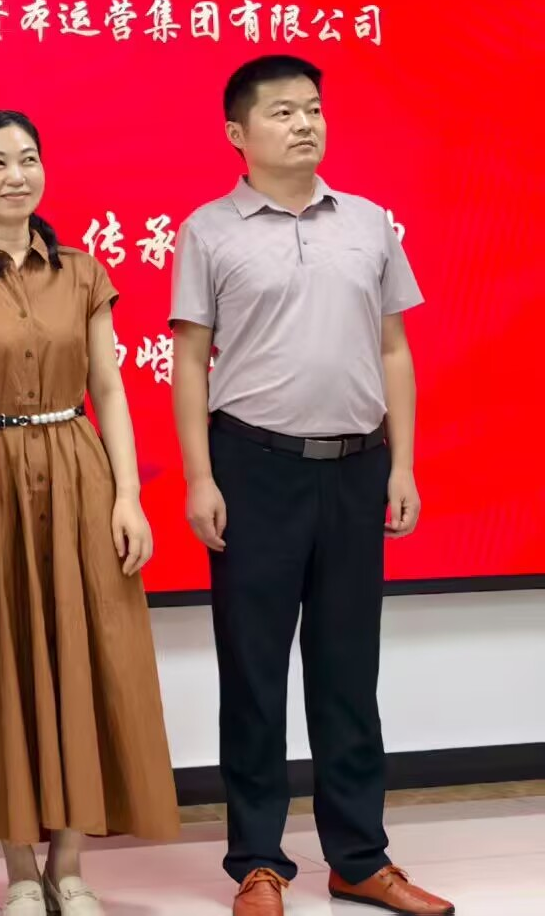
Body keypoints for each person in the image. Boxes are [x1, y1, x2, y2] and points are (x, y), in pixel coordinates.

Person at [170, 57, 453, 916]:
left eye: (314, 109)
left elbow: (394, 348)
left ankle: (359, 856)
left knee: (348, 671)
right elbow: (189, 360)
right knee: (253, 675)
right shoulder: (209, 230)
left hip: (358, 466)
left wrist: (402, 463)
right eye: (284, 112)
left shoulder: (367, 222)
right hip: (252, 468)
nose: (305, 124)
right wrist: (199, 476)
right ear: (238, 132)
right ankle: (259, 862)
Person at [0, 110, 179, 916]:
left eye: (28, 158)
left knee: (83, 655)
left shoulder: (83, 272)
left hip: (76, 471)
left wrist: (128, 494)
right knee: (0, 662)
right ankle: (19, 869)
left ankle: (69, 864)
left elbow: (108, 388)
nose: (15, 174)